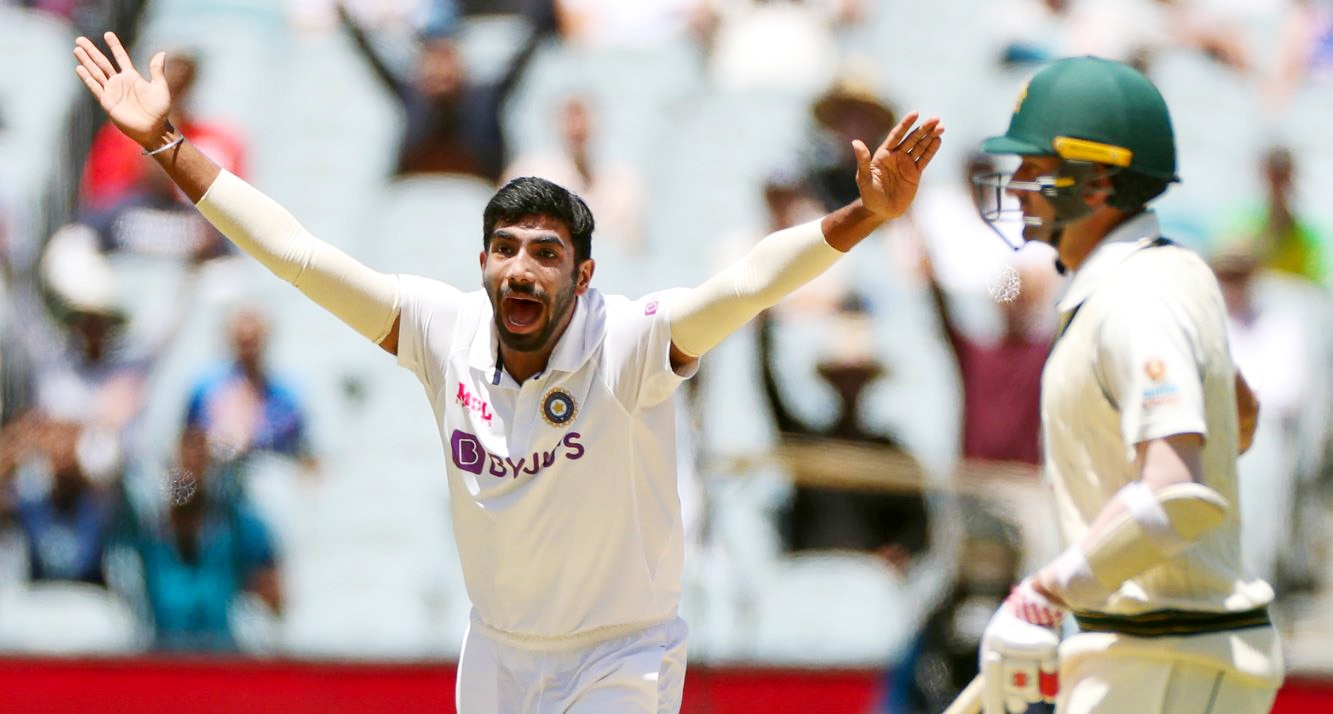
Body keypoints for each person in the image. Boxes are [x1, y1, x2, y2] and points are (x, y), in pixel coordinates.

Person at [72, 31, 942, 710]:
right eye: (504, 250)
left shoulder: (633, 342)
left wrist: (864, 216)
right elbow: (297, 255)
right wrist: (165, 144)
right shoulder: (440, 329)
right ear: (481, 261)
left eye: (546, 254)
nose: (521, 270)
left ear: (584, 274)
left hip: (622, 655)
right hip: (496, 653)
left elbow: (747, 283)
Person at [971, 56, 1280, 713]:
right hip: (1144, 653)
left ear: (1097, 181)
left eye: (1036, 167)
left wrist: (1044, 594)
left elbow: (1173, 492)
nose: (1018, 184)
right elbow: (1236, 422)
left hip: (1175, 655)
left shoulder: (1141, 293)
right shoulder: (1137, 284)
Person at [185, 308, 314, 464]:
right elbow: (185, 444)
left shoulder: (286, 397)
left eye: (253, 342)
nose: (248, 352)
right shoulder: (205, 389)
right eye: (242, 342)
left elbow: (307, 455)